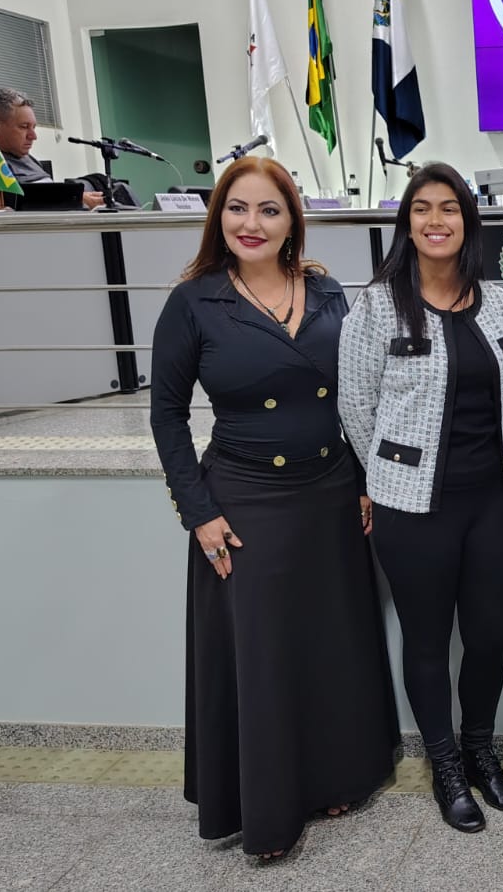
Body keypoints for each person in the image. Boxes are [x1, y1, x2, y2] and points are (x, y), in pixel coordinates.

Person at [149, 156, 399, 860]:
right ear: (217, 216)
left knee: (329, 642)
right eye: (237, 208)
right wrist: (197, 511)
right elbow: (167, 417)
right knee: (263, 655)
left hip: (328, 494)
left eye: (268, 210)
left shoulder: (323, 291)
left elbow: (352, 397)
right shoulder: (195, 300)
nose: (250, 224)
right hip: (245, 499)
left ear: (292, 219)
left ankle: (338, 776)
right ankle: (267, 809)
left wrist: (359, 482)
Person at [338, 162, 503, 834]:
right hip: (411, 506)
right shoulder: (378, 305)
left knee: (490, 638)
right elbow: (356, 404)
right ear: (406, 221)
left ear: (467, 221)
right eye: (422, 208)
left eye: (449, 208)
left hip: (492, 502)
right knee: (426, 639)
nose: (436, 220)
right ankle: (444, 764)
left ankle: (480, 749)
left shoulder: (497, 301)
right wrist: (380, 477)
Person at [0, 88, 104, 210]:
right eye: (24, 127)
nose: (33, 136)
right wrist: (75, 198)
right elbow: (8, 203)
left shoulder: (28, 158)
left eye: (33, 127)